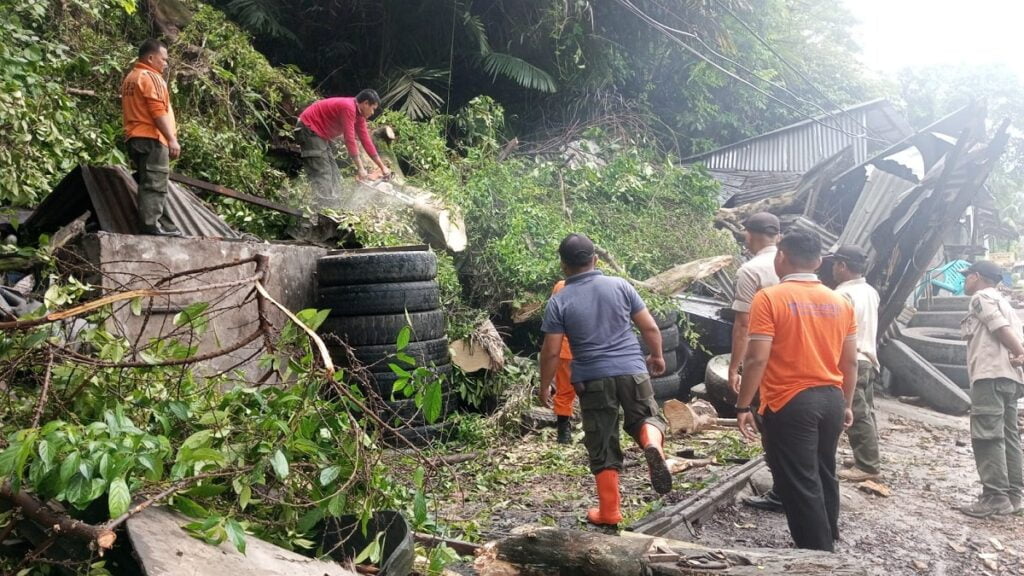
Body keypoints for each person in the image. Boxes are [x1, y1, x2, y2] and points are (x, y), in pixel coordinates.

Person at [735, 230, 858, 551]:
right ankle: (828, 535)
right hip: (831, 398)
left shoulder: (770, 297)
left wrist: (742, 405)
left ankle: (817, 557)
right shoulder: (840, 301)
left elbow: (757, 356)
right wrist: (847, 403)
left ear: (781, 257)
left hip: (790, 403)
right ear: (818, 261)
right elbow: (851, 363)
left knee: (798, 482)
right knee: (824, 470)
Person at [539, 233, 671, 526]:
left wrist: (544, 386)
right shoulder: (621, 285)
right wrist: (657, 356)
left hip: (592, 379)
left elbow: (550, 353)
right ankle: (653, 444)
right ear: (595, 260)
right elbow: (649, 327)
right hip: (632, 369)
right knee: (645, 418)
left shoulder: (559, 301)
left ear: (563, 265)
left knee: (602, 440)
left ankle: (610, 512)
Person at [958, 260, 1024, 518]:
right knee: (1009, 437)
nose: (965, 282)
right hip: (1009, 378)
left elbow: (998, 328)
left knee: (987, 435)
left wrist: (1020, 351)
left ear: (976, 276)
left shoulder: (981, 297)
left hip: (990, 376)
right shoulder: (1006, 303)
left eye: (967, 277)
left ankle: (995, 496)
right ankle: (1014, 496)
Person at [728, 212, 783, 512]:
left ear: (752, 234)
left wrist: (735, 367)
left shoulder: (751, 270)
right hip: (797, 360)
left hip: (765, 360)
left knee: (767, 423)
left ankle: (781, 490)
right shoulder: (796, 265)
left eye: (746, 234)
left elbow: (743, 325)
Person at [121, 39, 183, 237]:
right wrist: (171, 139)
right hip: (152, 139)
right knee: (155, 184)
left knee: (150, 182)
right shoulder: (151, 77)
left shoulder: (132, 77)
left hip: (134, 137)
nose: (165, 63)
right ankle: (150, 226)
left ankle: (165, 226)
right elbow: (157, 112)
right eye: (163, 59)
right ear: (150, 58)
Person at [830, 245, 882, 482]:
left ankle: (867, 465)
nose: (832, 269)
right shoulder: (870, 291)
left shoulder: (842, 295)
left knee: (856, 412)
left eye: (834, 264)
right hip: (868, 357)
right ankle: (866, 456)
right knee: (866, 411)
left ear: (842, 265)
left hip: (853, 358)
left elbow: (837, 333)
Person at [296, 90, 392, 210]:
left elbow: (366, 141)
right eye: (373, 108)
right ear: (365, 103)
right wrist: (361, 168)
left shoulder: (359, 116)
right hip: (308, 128)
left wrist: (382, 167)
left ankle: (333, 208)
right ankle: (322, 211)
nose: (372, 113)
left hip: (320, 136)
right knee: (323, 173)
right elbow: (349, 140)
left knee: (335, 174)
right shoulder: (348, 107)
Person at [549, 279, 577, 444]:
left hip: (565, 348)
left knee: (564, 391)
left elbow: (553, 320)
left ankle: (563, 433)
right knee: (591, 390)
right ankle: (591, 430)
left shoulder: (561, 286)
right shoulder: (596, 285)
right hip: (587, 349)